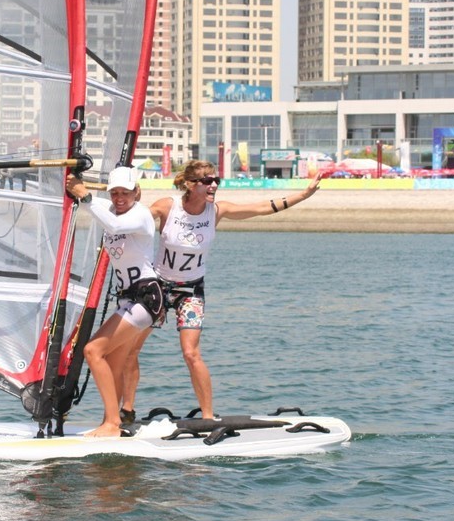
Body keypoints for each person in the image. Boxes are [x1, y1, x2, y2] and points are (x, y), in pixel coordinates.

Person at [120, 160, 321, 422]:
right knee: (130, 349)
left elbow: (262, 208)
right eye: (207, 181)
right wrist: (127, 198)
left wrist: (304, 195)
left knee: (191, 353)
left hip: (190, 291)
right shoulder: (168, 206)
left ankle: (208, 416)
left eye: (217, 180)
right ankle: (126, 410)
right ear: (191, 185)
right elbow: (132, 221)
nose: (214, 185)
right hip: (157, 288)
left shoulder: (216, 211)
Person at [65, 167, 163, 437]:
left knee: (93, 351)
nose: (120, 198)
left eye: (126, 193)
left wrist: (84, 195)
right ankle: (113, 418)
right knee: (114, 361)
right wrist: (72, 186)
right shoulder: (109, 211)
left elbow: (115, 225)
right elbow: (98, 209)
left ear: (137, 192)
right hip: (128, 299)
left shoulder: (141, 215)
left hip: (146, 296)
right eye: (115, 193)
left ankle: (112, 424)